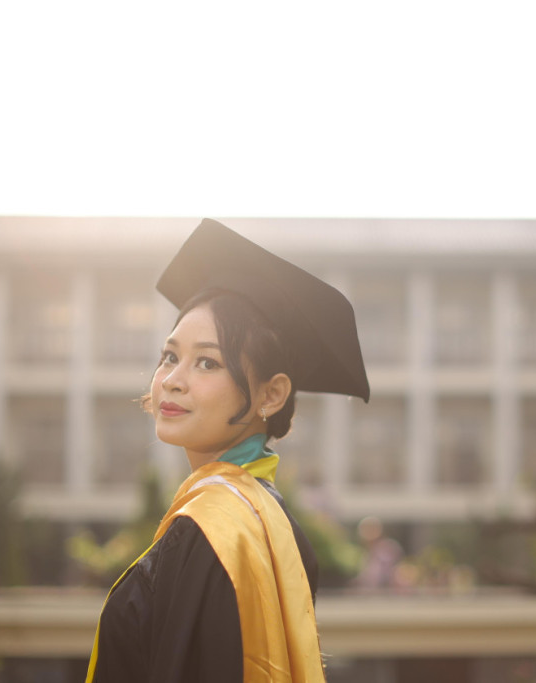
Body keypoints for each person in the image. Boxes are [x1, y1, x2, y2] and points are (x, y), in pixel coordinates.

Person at [85, 220, 370, 682]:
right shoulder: (269, 517)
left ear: (271, 395)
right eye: (170, 356)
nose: (173, 379)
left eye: (208, 362)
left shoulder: (210, 531)